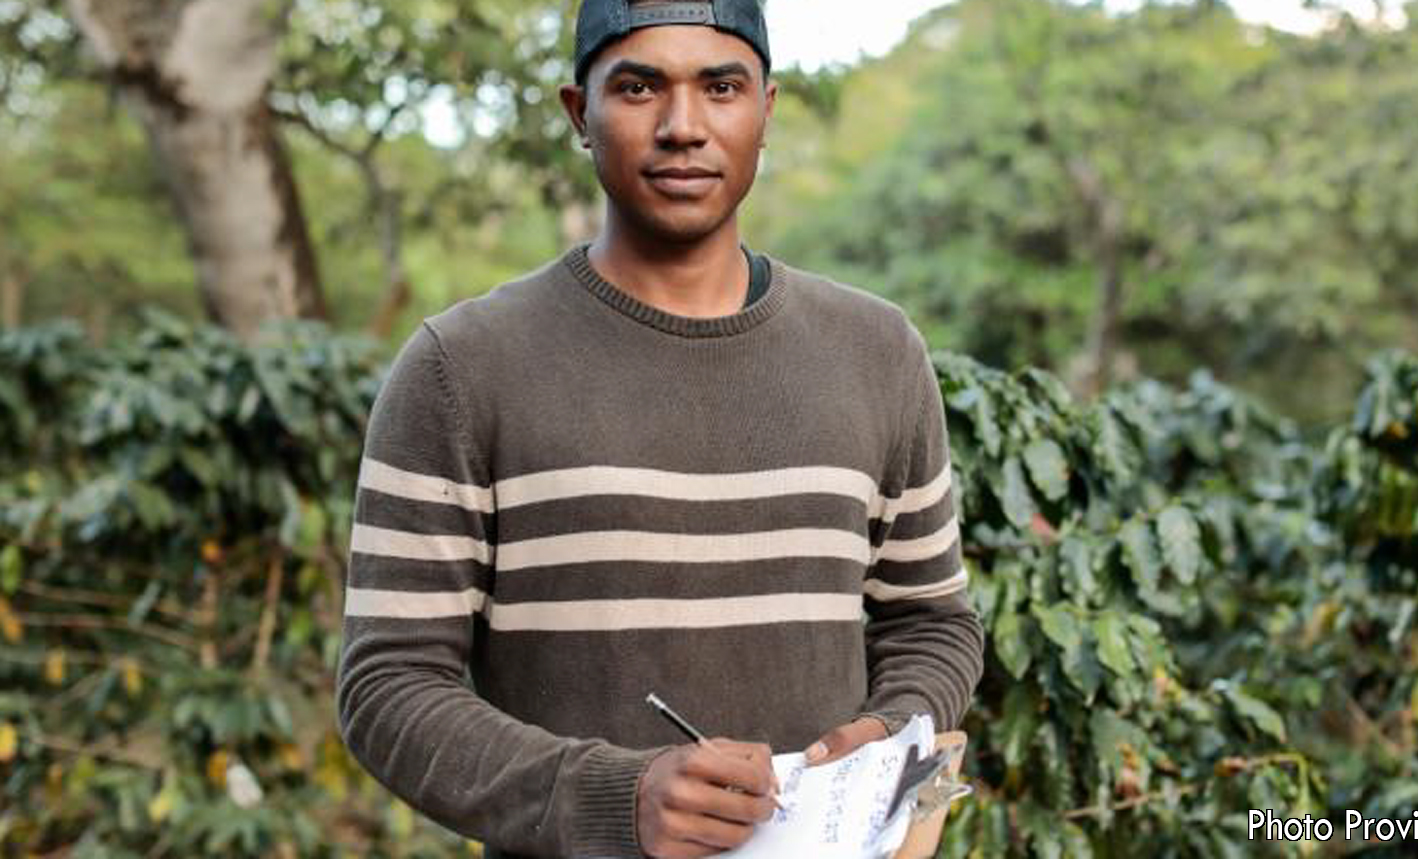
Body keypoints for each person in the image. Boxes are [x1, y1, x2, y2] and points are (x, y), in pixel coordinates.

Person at [334, 1, 984, 856]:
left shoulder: (877, 352)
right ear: (579, 113)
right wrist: (616, 797)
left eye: (721, 87)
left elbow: (933, 621)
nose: (684, 127)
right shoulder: (460, 368)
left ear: (766, 110)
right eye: (639, 87)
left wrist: (894, 728)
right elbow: (386, 686)